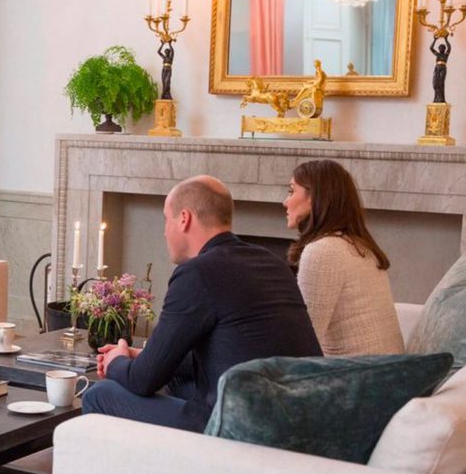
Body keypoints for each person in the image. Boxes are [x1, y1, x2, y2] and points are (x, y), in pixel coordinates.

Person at [82, 176, 322, 432]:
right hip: (294, 417)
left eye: (167, 219)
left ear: (184, 218)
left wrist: (117, 361)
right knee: (174, 377)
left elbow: (142, 380)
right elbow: (230, 349)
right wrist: (139, 355)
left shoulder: (197, 273)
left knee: (100, 394)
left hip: (239, 427)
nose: (164, 231)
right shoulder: (271, 261)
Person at [283, 160, 404, 356]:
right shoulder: (358, 244)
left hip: (355, 378)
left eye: (291, 191)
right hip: (382, 372)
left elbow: (304, 342)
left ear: (313, 196)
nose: (285, 201)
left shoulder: (323, 250)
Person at [430, 37, 450, 104]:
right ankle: (436, 98)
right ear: (439, 49)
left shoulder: (446, 55)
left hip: (443, 68)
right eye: (440, 48)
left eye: (442, 48)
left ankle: (441, 98)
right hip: (437, 68)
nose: (441, 49)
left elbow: (449, 47)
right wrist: (434, 40)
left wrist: (446, 39)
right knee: (435, 83)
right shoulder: (437, 54)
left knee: (441, 83)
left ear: (444, 49)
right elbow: (431, 48)